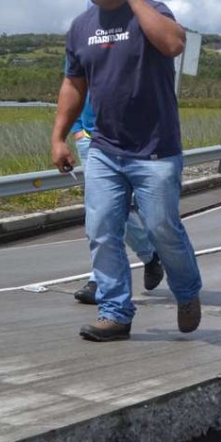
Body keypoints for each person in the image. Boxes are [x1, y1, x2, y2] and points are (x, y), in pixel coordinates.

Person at [51, 0, 202, 342]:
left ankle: (187, 293)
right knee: (101, 229)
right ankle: (115, 312)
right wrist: (59, 136)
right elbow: (73, 83)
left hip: (155, 149)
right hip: (105, 148)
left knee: (161, 227)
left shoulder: (151, 12)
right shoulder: (81, 28)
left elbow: (173, 44)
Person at [71, 92, 163, 305]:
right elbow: (74, 85)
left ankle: (101, 282)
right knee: (104, 210)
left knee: (107, 211)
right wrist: (77, 130)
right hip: (89, 139)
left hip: (129, 140)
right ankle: (149, 256)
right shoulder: (81, 56)